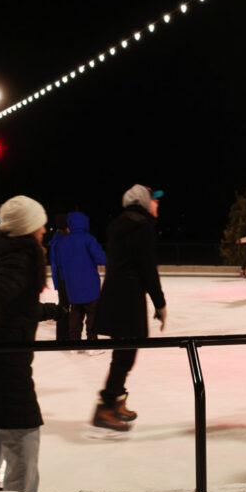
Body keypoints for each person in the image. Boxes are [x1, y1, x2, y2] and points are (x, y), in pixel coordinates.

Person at [0, 195, 65, 492]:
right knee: (22, 439)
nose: (44, 231)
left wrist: (47, 311)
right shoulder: (20, 258)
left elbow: (12, 305)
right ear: (28, 228)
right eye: (40, 225)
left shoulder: (8, 255)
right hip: (7, 364)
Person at [93, 185, 168, 431]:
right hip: (129, 299)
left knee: (123, 354)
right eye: (154, 200)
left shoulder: (120, 225)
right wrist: (160, 303)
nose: (157, 204)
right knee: (125, 356)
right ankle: (106, 408)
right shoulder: (141, 227)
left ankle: (116, 401)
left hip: (116, 296)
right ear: (143, 202)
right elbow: (148, 268)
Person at [54, 211, 107, 347]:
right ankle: (92, 343)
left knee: (75, 313)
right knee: (92, 313)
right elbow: (101, 258)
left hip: (72, 286)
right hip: (90, 285)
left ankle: (74, 343)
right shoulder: (88, 239)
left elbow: (60, 265)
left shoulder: (63, 242)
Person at [48, 214, 70, 341]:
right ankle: (64, 337)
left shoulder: (57, 239)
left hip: (62, 278)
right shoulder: (63, 241)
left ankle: (63, 336)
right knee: (66, 306)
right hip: (65, 278)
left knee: (64, 305)